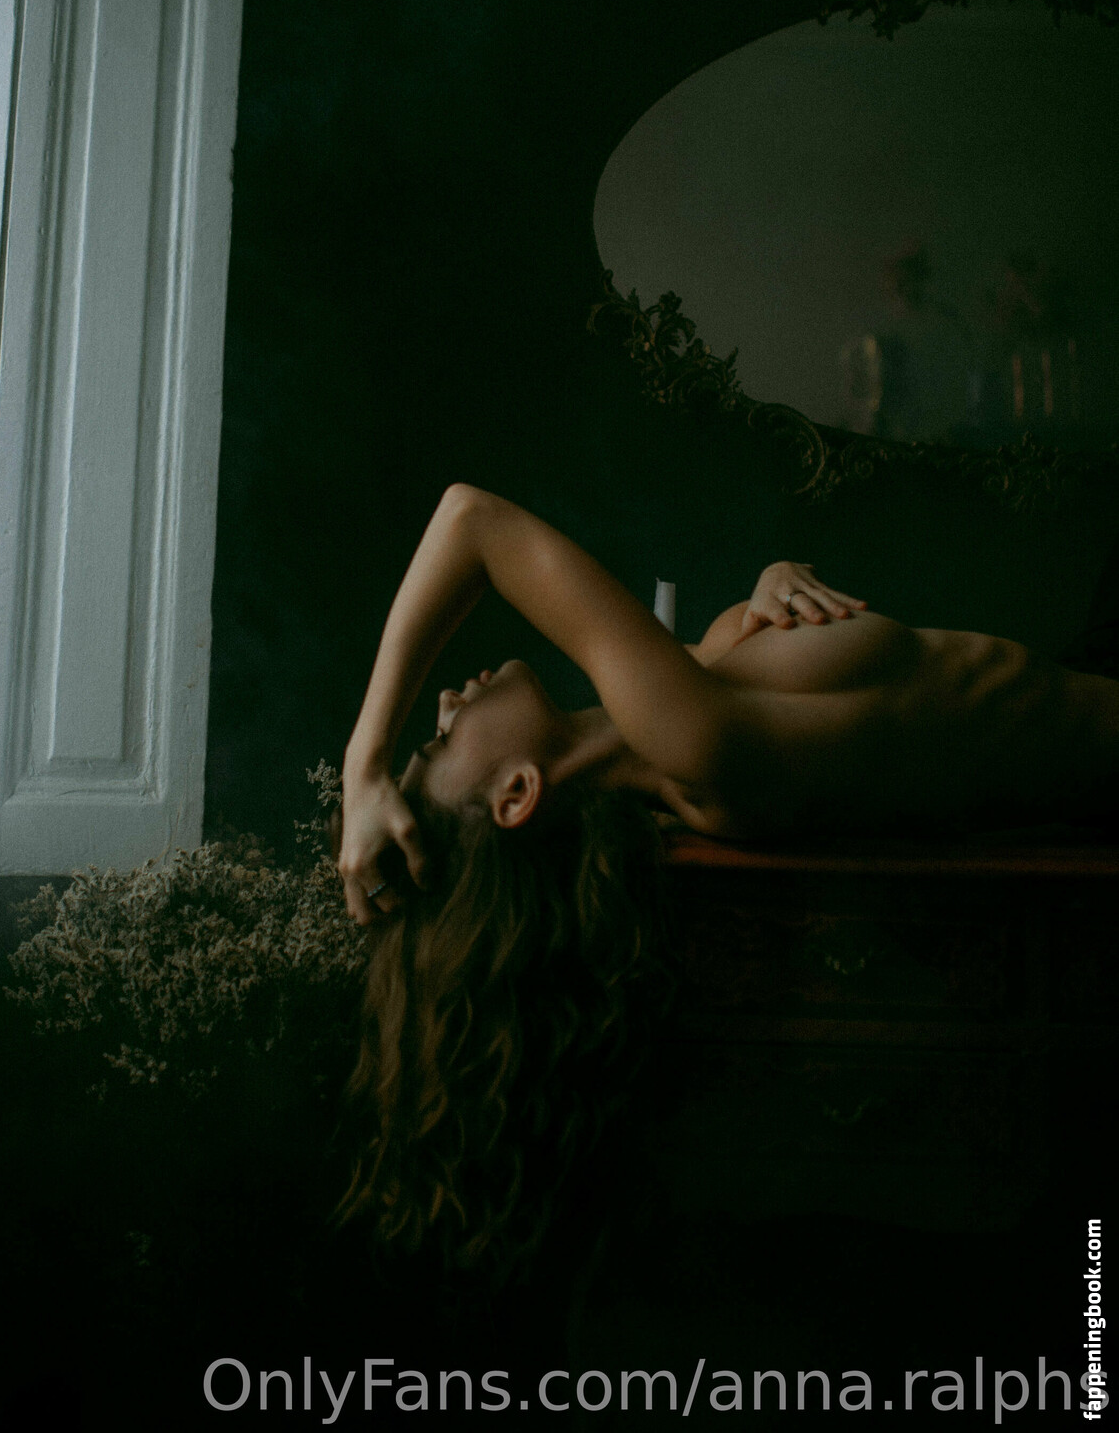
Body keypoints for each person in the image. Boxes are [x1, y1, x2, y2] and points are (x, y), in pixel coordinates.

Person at [336, 483, 1119, 1274]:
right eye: (439, 744)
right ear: (515, 795)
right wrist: (362, 769)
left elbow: (750, 650)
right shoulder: (693, 745)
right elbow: (471, 520)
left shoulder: (676, 709)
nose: (444, 704)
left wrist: (774, 583)